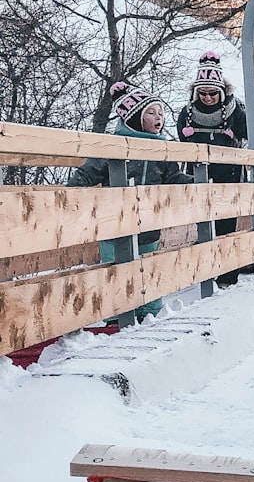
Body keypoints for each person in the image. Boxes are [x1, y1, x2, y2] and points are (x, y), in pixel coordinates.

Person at [70, 82, 191, 321]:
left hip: (148, 225)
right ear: (135, 117)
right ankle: (115, 316)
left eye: (161, 113)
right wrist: (72, 194)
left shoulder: (162, 148)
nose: (159, 118)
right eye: (152, 112)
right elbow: (88, 172)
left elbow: (172, 176)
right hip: (113, 225)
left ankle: (148, 314)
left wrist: (190, 181)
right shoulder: (113, 146)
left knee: (148, 269)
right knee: (115, 271)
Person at [176, 52, 254, 285]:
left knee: (225, 227)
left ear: (221, 92)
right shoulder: (187, 114)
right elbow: (182, 145)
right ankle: (206, 272)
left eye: (213, 93)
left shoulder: (234, 112)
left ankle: (226, 275)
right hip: (200, 178)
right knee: (204, 225)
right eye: (203, 93)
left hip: (228, 177)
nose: (208, 98)